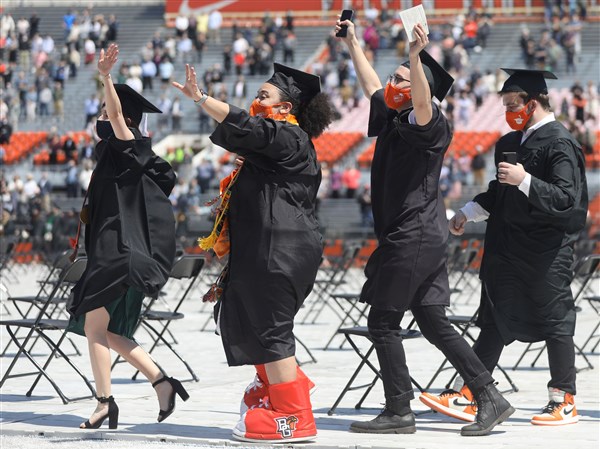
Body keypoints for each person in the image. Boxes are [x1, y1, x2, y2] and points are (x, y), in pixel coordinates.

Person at [335, 18, 513, 436]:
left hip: (412, 234)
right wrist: (353, 45)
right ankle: (490, 397)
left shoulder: (431, 124)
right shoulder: (395, 118)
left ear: (420, 88)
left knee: (382, 322)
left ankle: (399, 409)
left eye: (402, 77)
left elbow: (420, 102)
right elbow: (370, 87)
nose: (392, 83)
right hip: (421, 234)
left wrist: (415, 58)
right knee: (433, 321)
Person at [172, 61, 335, 443]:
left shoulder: (290, 138)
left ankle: (295, 417)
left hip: (280, 251)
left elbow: (248, 127)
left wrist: (200, 98)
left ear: (286, 107)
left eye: (265, 96)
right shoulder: (278, 144)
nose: (256, 100)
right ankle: (283, 387)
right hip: (266, 249)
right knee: (248, 318)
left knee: (271, 327)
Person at [427, 68, 588, 426]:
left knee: (556, 319)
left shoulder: (559, 143)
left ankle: (564, 399)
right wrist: (468, 213)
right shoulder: (510, 142)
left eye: (512, 104)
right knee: (495, 316)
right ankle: (473, 391)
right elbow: (499, 194)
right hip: (507, 248)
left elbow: (566, 199)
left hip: (546, 252)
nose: (507, 112)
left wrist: (526, 179)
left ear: (532, 103)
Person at [67, 44, 187, 430]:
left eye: (105, 111)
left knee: (95, 328)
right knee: (106, 331)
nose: (101, 117)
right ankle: (161, 381)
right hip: (115, 249)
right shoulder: (117, 153)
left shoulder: (129, 145)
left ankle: (105, 402)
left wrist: (105, 77)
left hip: (117, 251)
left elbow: (118, 115)